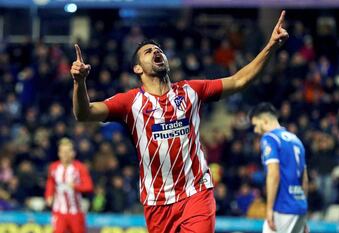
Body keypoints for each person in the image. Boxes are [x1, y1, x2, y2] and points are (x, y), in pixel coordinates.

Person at [70, 10, 289, 233]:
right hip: (157, 202)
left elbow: (239, 80)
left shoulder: (191, 91)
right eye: (148, 51)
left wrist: (271, 46)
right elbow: (84, 113)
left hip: (196, 193)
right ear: (137, 68)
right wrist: (79, 82)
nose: (156, 51)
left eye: (159, 50)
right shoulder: (130, 102)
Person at [250, 103, 308, 233]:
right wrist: (304, 212)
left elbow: (273, 174)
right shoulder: (296, 140)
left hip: (283, 207)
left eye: (255, 125)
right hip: (300, 207)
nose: (255, 130)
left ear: (264, 120)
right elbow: (304, 179)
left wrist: (269, 209)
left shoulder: (270, 138)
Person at [45, 138, 94, 233]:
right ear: (59, 153)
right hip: (59, 211)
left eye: (67, 152)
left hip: (75, 211)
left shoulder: (80, 167)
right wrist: (49, 196)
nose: (65, 155)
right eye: (62, 152)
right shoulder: (54, 167)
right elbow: (50, 182)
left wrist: (75, 186)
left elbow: (89, 186)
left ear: (73, 153)